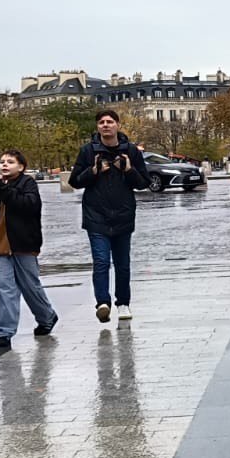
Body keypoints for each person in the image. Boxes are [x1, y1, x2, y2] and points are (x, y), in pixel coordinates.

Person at [0, 150, 58, 354]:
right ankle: (4, 333)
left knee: (30, 286)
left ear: (21, 167)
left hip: (24, 245)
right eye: (2, 162)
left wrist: (1, 190)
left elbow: (28, 206)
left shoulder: (27, 184)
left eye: (10, 162)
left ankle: (47, 317)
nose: (4, 165)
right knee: (4, 289)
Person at [69, 109, 150, 321]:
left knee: (123, 263)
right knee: (102, 261)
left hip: (123, 215)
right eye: (102, 122)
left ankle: (123, 303)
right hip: (96, 216)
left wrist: (129, 170)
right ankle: (102, 302)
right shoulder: (88, 151)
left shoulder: (131, 151)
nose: (106, 125)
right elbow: (74, 181)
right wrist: (93, 171)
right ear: (97, 127)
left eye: (110, 122)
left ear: (117, 125)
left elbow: (143, 183)